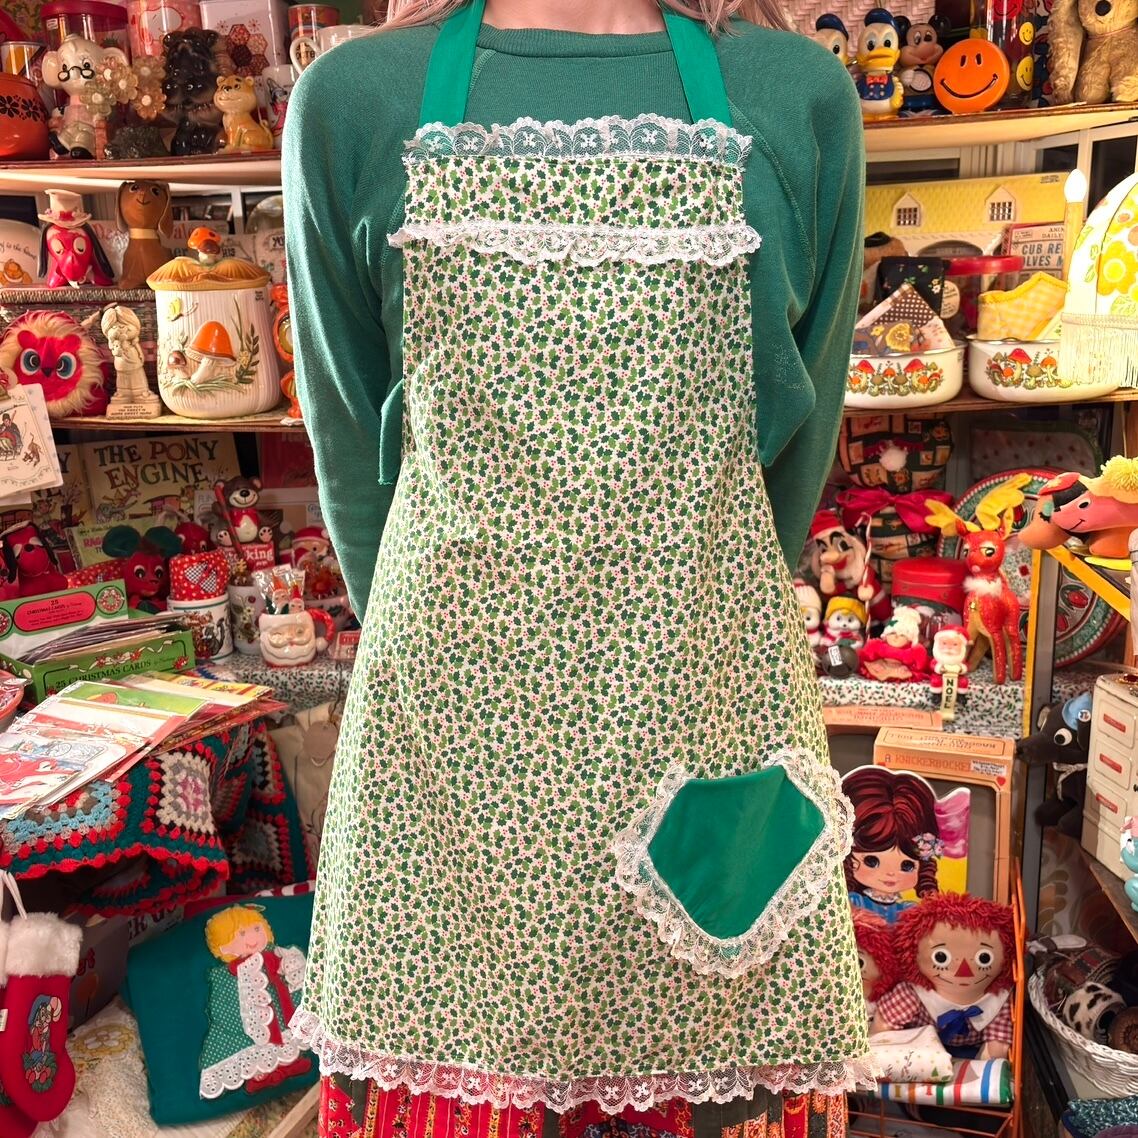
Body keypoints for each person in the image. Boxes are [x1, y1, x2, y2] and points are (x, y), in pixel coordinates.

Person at [284, 0, 868, 1134]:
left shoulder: (797, 97)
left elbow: (797, 455)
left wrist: (706, 612)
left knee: (712, 1074)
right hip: (450, 765)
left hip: (702, 715)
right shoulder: (353, 102)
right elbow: (352, 455)